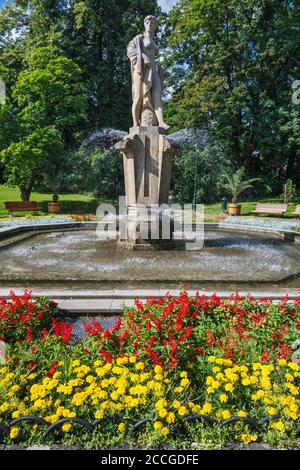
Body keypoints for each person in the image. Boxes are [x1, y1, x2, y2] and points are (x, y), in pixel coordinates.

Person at [127, 15, 169, 129]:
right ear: (144, 25)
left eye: (152, 23)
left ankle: (161, 122)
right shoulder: (139, 38)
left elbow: (155, 56)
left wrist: (163, 71)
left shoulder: (153, 40)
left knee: (157, 96)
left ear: (155, 26)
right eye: (147, 23)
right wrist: (143, 58)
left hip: (153, 69)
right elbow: (130, 50)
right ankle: (135, 123)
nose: (149, 25)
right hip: (141, 70)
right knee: (138, 97)